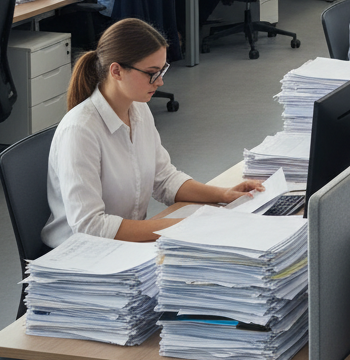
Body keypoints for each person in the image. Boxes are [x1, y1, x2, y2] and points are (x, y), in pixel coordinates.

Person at [42, 18, 263, 248]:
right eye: (152, 73)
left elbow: (164, 179)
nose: (160, 82)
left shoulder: (138, 109)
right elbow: (90, 226)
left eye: (162, 70)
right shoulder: (80, 130)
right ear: (116, 71)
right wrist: (182, 227)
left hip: (122, 246)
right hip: (80, 254)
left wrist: (223, 194)